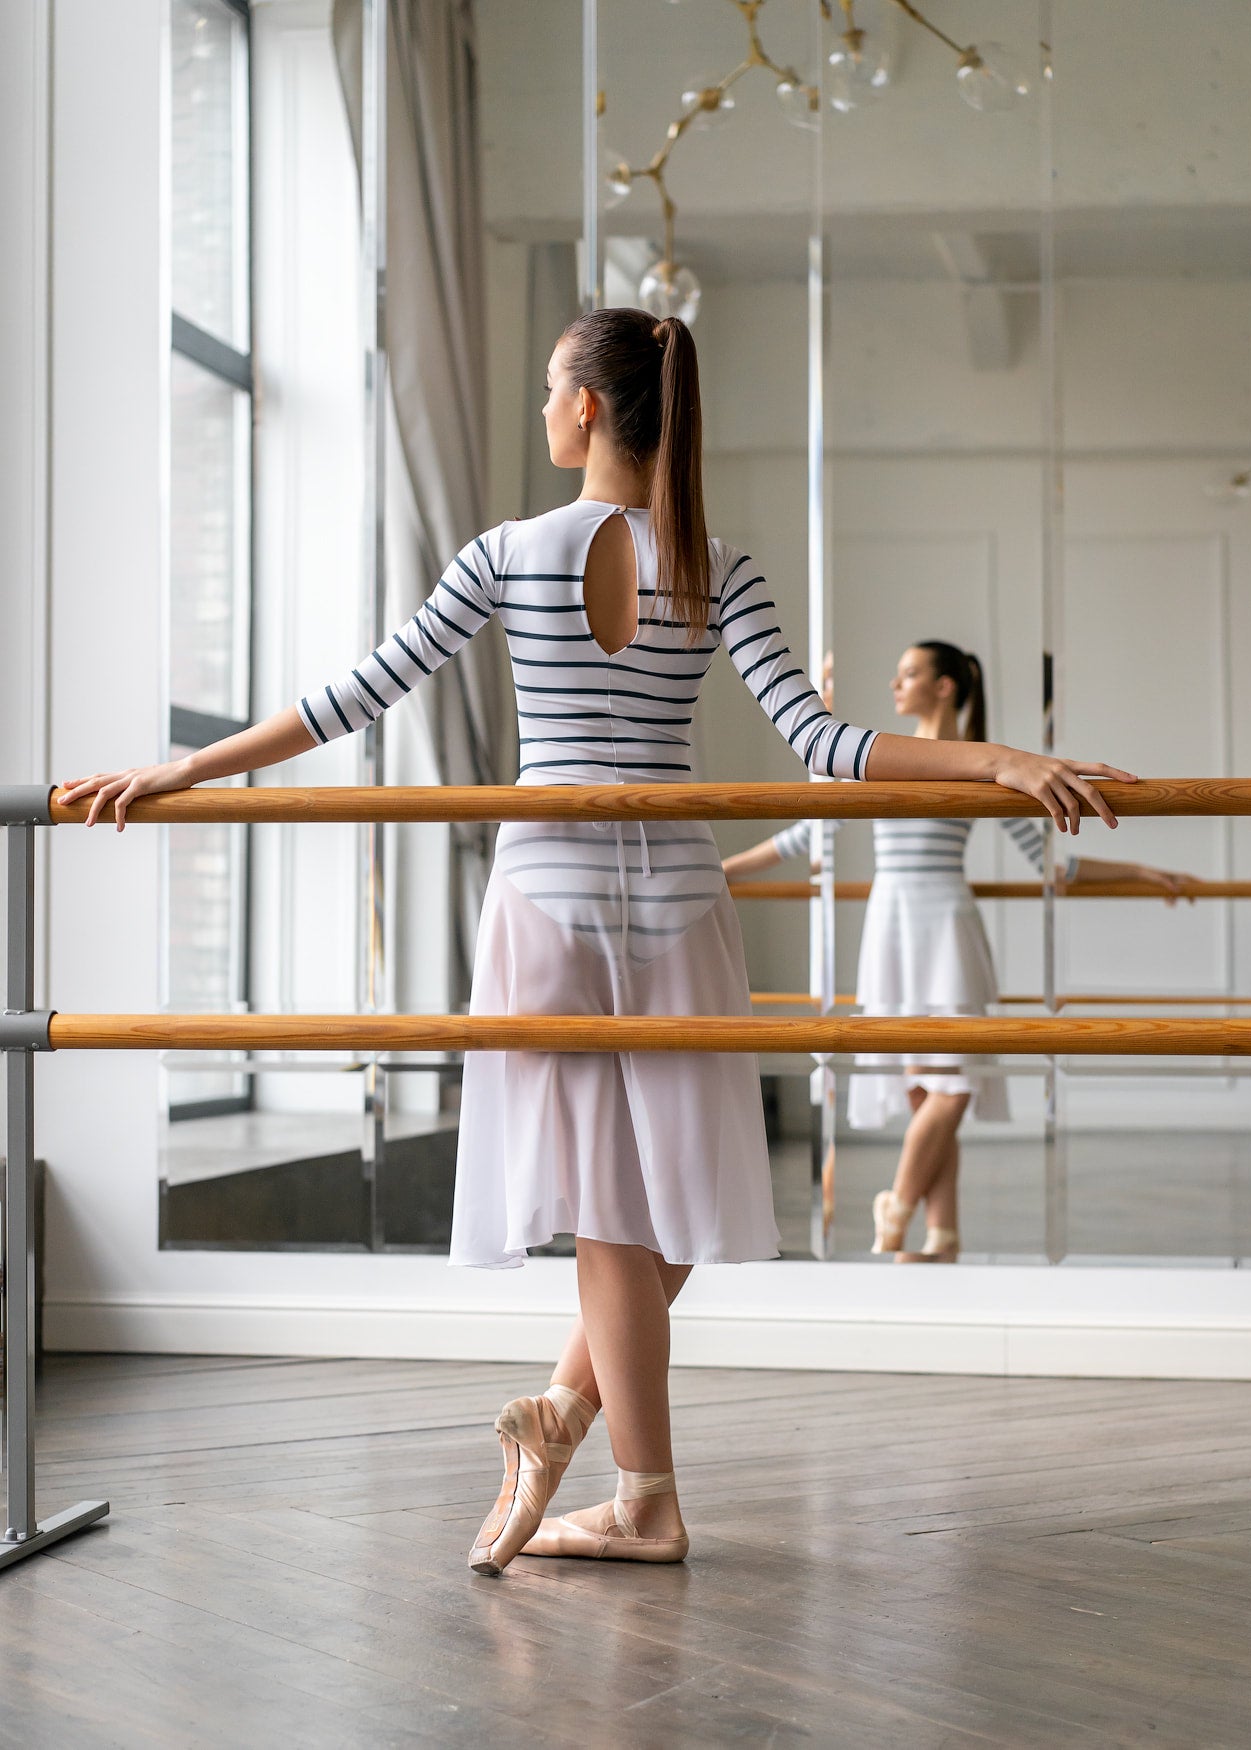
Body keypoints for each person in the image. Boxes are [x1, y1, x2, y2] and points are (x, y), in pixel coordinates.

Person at [57, 308, 1134, 1574]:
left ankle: (625, 1478)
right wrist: (995, 758)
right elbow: (824, 745)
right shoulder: (713, 564)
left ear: (581, 411)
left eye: (550, 393)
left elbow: (352, 698)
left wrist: (184, 769)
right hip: (679, 895)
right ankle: (607, 1461)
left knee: (637, 1213)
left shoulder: (510, 550)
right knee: (659, 1203)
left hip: (548, 893)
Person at [723, 641, 1187, 1262]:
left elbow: (1055, 863)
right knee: (925, 1090)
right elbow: (806, 832)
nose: (896, 683)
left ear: (945, 687)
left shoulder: (983, 764)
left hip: (947, 931)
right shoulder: (884, 756)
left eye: (910, 672)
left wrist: (1141, 871)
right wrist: (717, 870)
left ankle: (899, 1204)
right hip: (892, 930)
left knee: (952, 1085)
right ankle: (942, 1239)